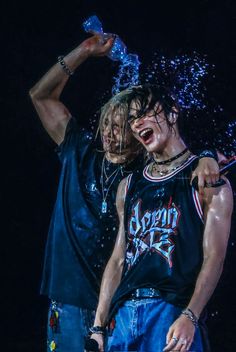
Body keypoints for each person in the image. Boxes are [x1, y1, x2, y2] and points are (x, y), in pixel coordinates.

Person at [29, 35, 221, 352]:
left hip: (124, 305)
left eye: (121, 126)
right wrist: (84, 51)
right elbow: (40, 96)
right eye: (108, 122)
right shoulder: (79, 149)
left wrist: (208, 155)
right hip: (71, 297)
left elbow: (181, 156)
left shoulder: (141, 175)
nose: (110, 131)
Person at [91, 85, 233, 352]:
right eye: (133, 119)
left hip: (170, 314)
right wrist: (99, 326)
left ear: (172, 114)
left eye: (145, 113)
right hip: (122, 318)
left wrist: (191, 315)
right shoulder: (128, 186)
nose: (138, 123)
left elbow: (215, 257)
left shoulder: (208, 180)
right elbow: (118, 258)